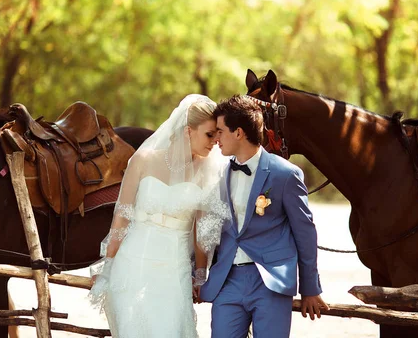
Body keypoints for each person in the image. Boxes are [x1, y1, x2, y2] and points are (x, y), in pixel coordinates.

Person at [89, 94, 231, 338]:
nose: (215, 142)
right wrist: (108, 265)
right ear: (188, 130)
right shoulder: (143, 160)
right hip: (131, 265)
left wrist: (199, 275)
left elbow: (202, 234)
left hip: (174, 272)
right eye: (210, 134)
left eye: (218, 135)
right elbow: (122, 217)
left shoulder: (209, 172)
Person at [200, 95, 328, 338]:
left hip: (271, 282)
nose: (216, 139)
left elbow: (305, 233)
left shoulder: (286, 174)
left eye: (220, 131)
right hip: (228, 281)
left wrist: (310, 288)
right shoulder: (219, 174)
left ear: (238, 133)